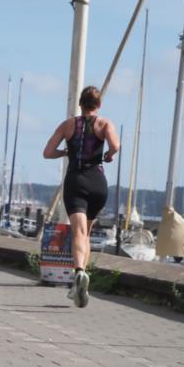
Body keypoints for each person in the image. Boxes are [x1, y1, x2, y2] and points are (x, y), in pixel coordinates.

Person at [42, 86, 119, 307]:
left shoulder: (67, 125)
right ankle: (81, 280)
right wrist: (109, 155)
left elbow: (47, 152)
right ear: (99, 105)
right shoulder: (105, 124)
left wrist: (65, 152)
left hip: (75, 181)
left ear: (80, 104)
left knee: (78, 232)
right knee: (87, 234)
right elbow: (115, 145)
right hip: (97, 183)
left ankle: (79, 272)